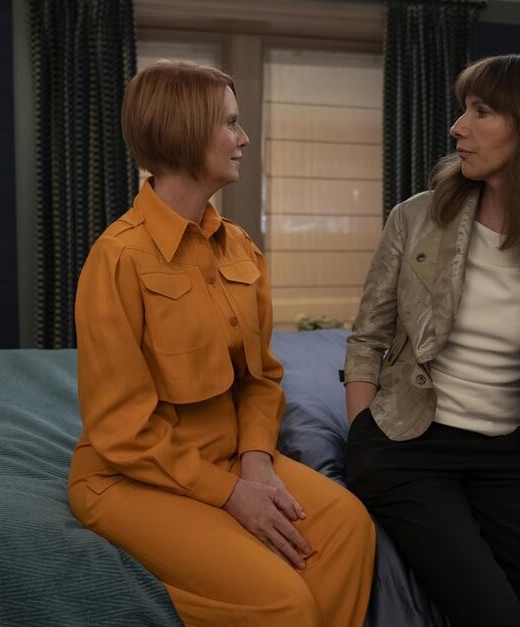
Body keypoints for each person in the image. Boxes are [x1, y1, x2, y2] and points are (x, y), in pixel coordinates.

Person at [68, 60, 375, 626]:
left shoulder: (240, 249)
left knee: (350, 528)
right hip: (130, 478)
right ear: (185, 132)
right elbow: (120, 430)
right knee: (282, 601)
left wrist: (256, 463)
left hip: (232, 459)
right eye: (230, 123)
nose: (244, 138)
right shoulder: (117, 258)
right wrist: (230, 495)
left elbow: (261, 380)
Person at [344, 52, 520, 627]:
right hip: (412, 443)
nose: (457, 128)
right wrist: (362, 430)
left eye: (482, 111)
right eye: (464, 109)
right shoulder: (415, 219)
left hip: (516, 454)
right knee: (493, 613)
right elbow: (367, 338)